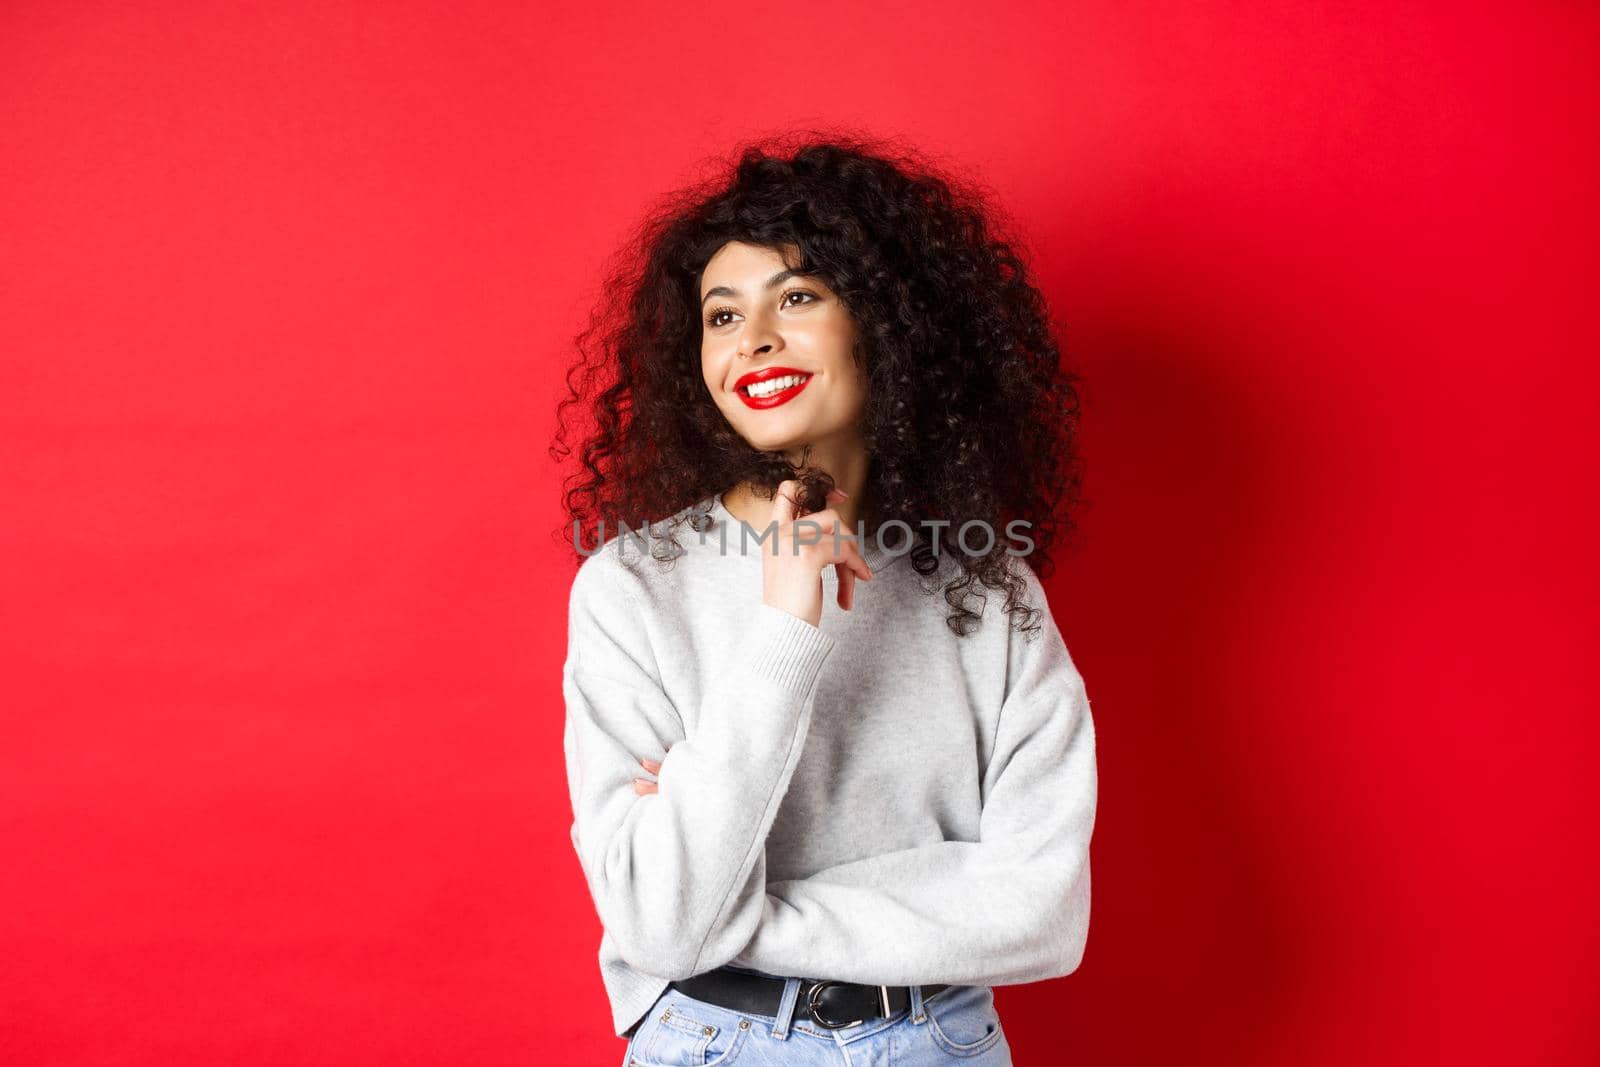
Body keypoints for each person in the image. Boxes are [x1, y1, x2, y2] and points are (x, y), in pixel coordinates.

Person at [550, 132, 1097, 1065]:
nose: (753, 338)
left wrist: (738, 912)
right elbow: (657, 921)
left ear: (885, 324)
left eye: (797, 297)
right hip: (711, 1041)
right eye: (721, 316)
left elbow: (1041, 914)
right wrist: (783, 626)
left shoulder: (989, 592)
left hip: (941, 1042)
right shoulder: (632, 588)